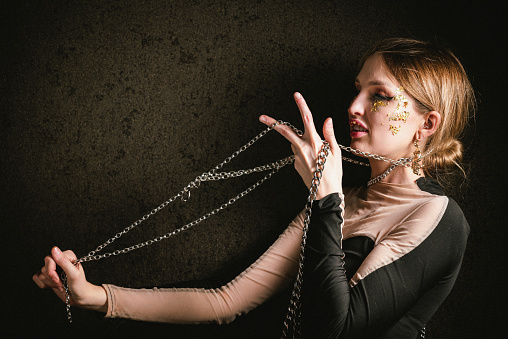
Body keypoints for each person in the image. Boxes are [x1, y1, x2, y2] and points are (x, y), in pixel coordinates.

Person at [33, 38, 474, 338]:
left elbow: (335, 330)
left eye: (379, 95)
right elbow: (225, 302)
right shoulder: (343, 200)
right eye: (358, 90)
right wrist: (97, 297)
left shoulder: (437, 216)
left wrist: (326, 200)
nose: (354, 106)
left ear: (427, 124)